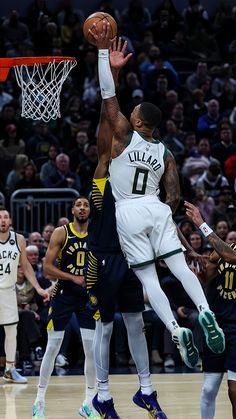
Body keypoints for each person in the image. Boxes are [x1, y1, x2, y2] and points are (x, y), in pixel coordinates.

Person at [91, 21, 225, 370]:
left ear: (137, 121)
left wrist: (103, 54)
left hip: (128, 211)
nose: (130, 111)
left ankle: (175, 330)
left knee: (149, 278)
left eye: (133, 111)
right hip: (157, 208)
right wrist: (167, 217)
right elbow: (175, 195)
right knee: (180, 267)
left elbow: (107, 95)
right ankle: (206, 311)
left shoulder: (122, 134)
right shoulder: (165, 151)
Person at [87, 38, 167, 418]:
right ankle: (102, 397)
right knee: (104, 327)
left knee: (136, 323)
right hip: (103, 254)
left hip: (133, 251)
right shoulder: (107, 159)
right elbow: (108, 116)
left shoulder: (141, 156)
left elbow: (112, 112)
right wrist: (111, 71)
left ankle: (147, 390)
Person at [32, 197, 100, 419]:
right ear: (72, 210)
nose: (82, 208)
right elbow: (47, 269)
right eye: (78, 205)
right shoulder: (62, 233)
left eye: (86, 205)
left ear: (90, 210)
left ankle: (89, 402)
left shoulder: (96, 232)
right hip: (64, 293)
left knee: (91, 350)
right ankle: (39, 401)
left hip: (87, 296)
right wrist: (73, 277)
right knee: (52, 347)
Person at [185, 201, 236, 419]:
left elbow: (230, 257)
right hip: (216, 328)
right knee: (209, 389)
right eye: (230, 239)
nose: (232, 241)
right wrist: (193, 273)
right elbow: (204, 279)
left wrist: (202, 224)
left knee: (234, 391)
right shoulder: (219, 254)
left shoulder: (229, 254)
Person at [0, 206, 49, 384]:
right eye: (0, 217)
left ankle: (10, 370)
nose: (3, 220)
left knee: (11, 332)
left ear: (10, 220)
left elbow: (26, 266)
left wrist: (38, 288)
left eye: (6, 217)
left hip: (8, 291)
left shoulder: (18, 239)